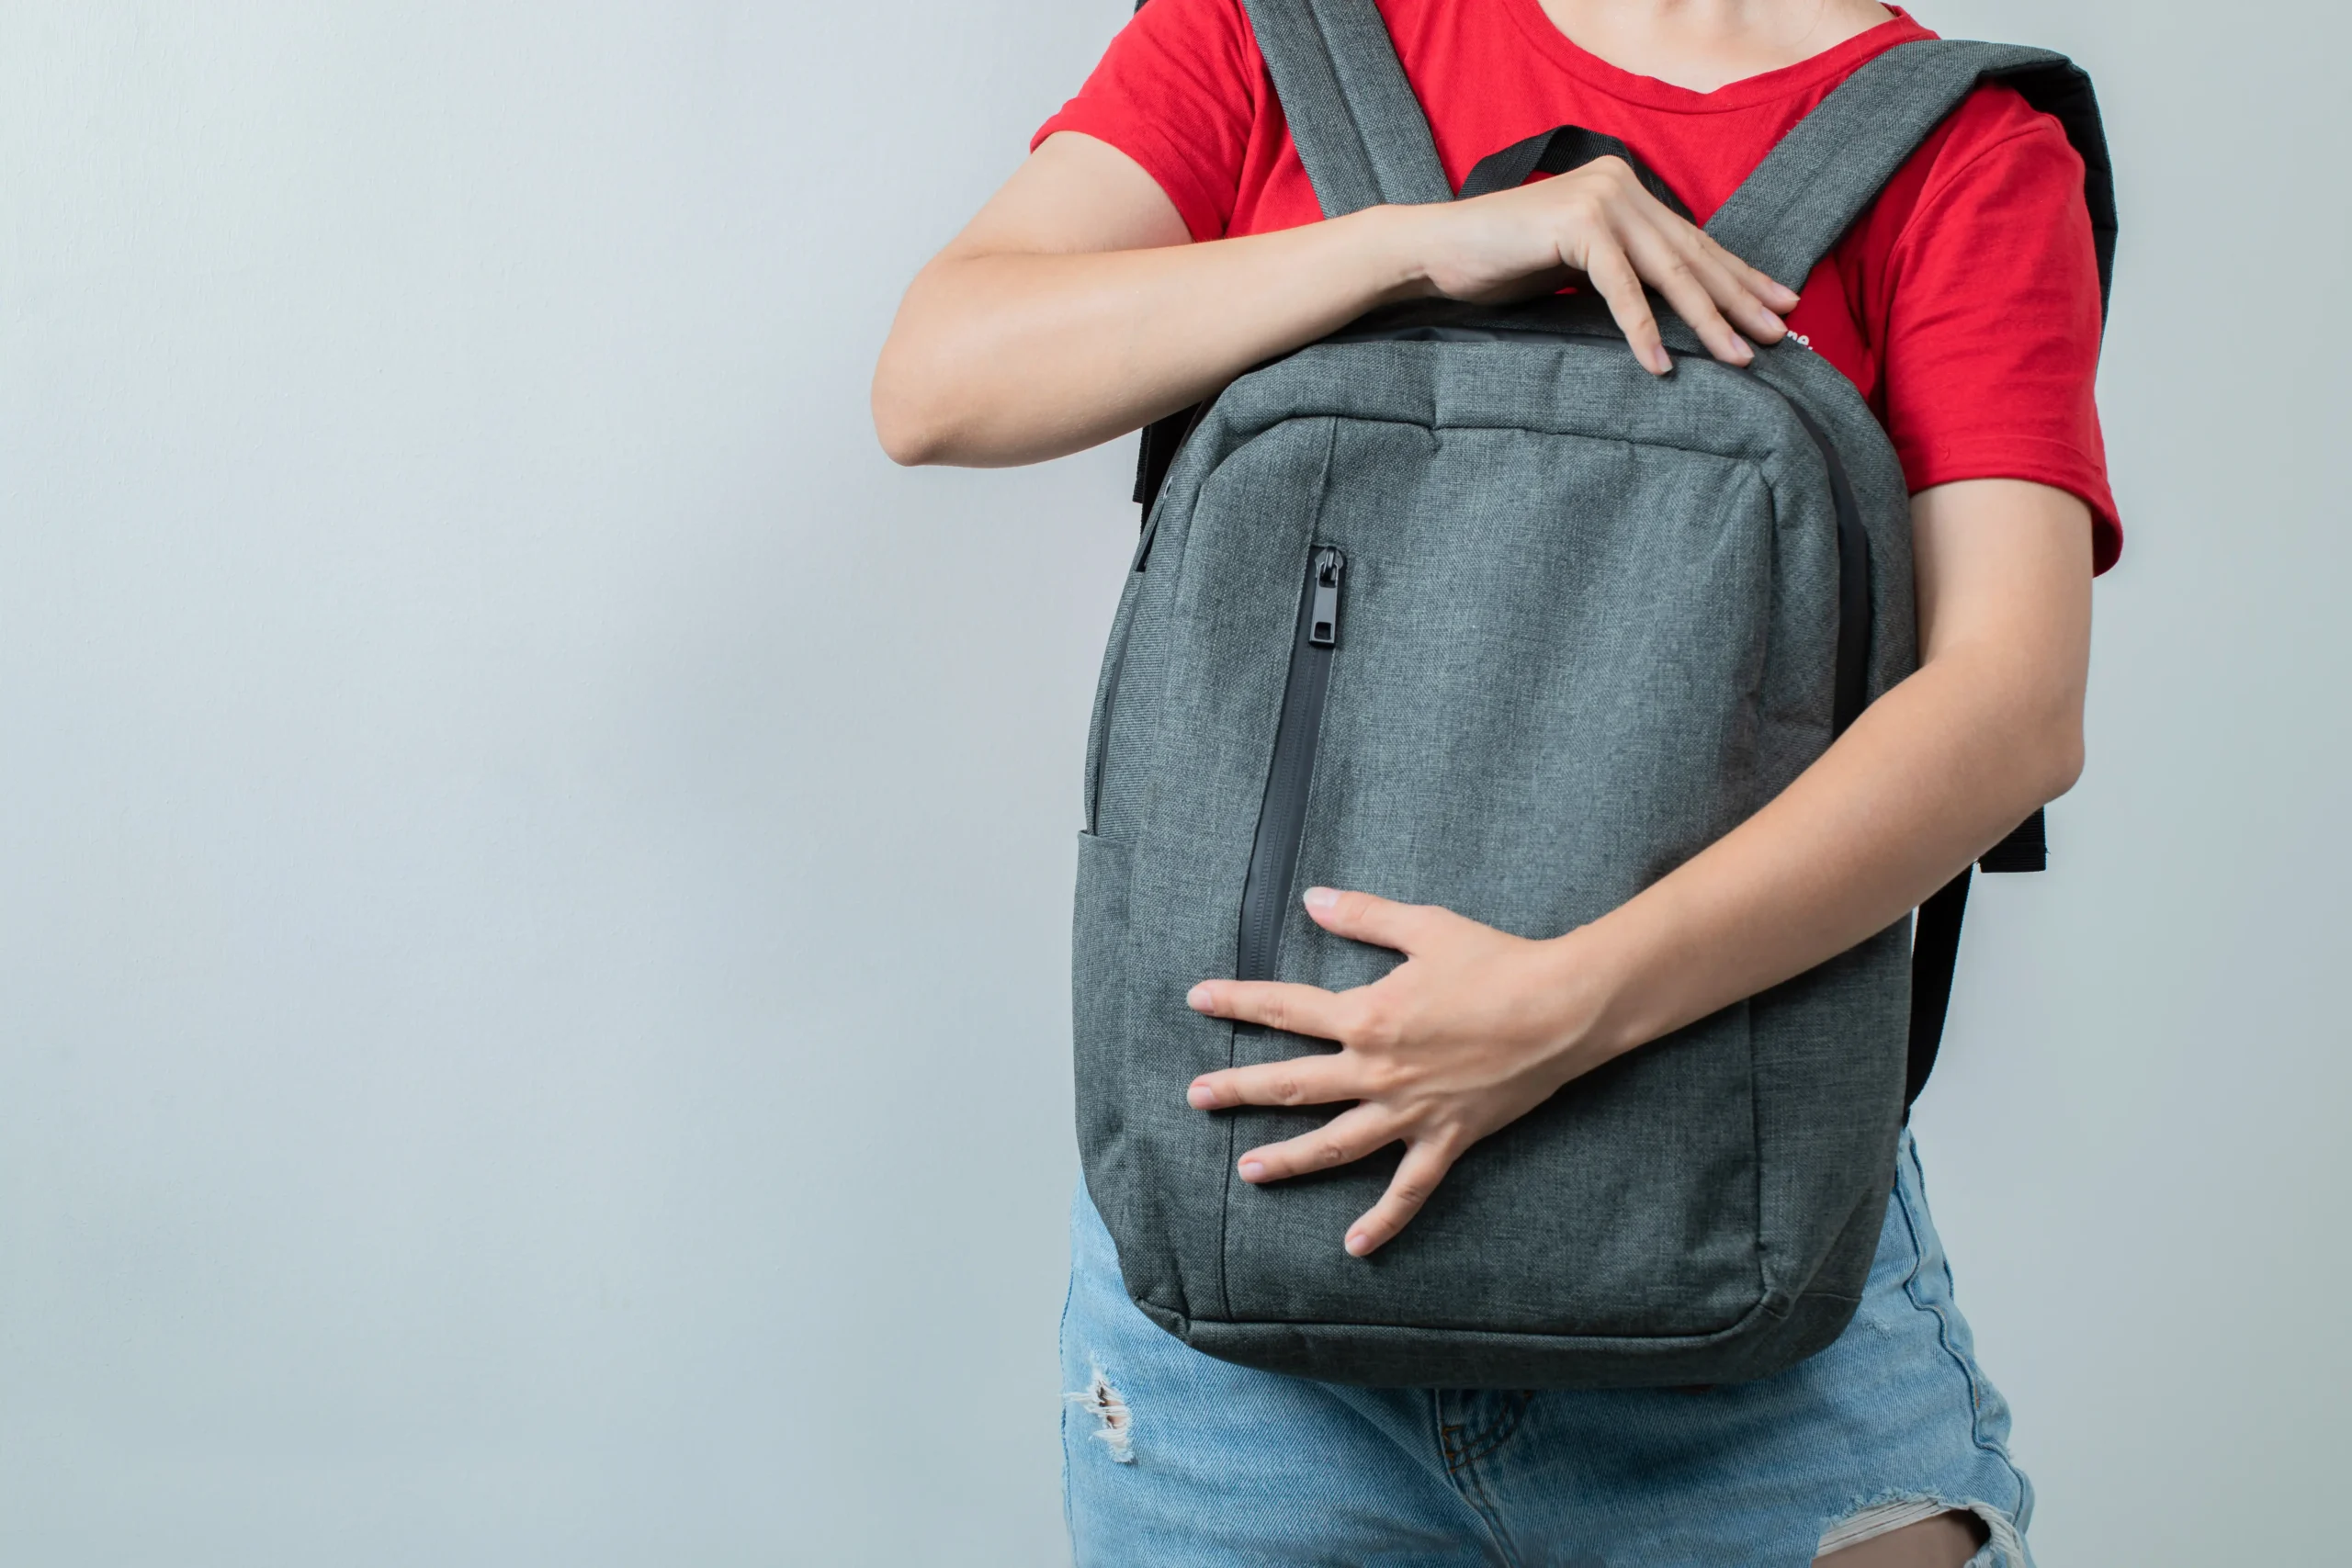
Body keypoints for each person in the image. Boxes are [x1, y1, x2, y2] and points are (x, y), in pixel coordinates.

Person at [874, 0, 2116, 1561]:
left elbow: (2012, 709)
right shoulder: (1285, 34)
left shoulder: (1951, 148)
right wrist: (1410, 247)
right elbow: (936, 376)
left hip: (1742, 1326)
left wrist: (1554, 1009)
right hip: (1245, 1321)